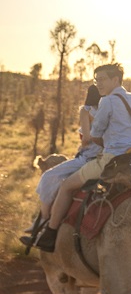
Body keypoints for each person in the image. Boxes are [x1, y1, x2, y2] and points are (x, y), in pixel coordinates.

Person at [35, 63, 131, 253]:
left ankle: (50, 233)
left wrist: (115, 142)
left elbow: (95, 135)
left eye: (102, 79)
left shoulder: (108, 101)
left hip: (111, 161)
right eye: (96, 80)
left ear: (115, 80)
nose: (98, 83)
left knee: (67, 186)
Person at [20, 85, 103, 247]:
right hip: (103, 159)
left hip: (86, 158)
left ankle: (43, 221)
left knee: (48, 177)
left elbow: (86, 138)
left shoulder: (86, 110)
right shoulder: (109, 113)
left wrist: (86, 140)